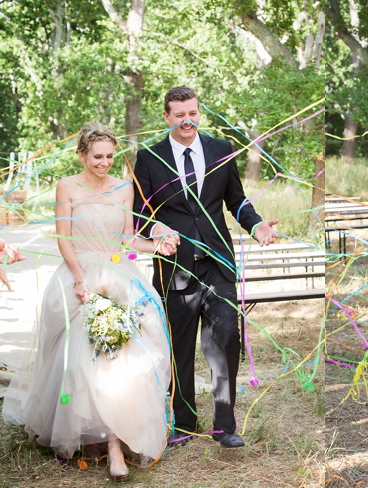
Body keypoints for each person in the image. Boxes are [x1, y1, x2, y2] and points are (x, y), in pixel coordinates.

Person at [3, 122, 176, 481]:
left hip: (120, 276)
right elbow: (63, 238)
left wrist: (158, 242)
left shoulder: (125, 188)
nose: (104, 162)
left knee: (125, 359)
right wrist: (81, 280)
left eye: (110, 156)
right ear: (82, 155)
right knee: (84, 361)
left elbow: (127, 239)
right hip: (78, 276)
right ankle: (97, 436)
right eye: (97, 156)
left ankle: (117, 443)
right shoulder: (67, 186)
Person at [132, 86, 278, 449]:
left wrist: (256, 224)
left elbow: (237, 200)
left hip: (217, 264)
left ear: (199, 112)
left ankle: (224, 425)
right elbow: (138, 213)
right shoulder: (149, 157)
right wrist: (156, 230)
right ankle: (183, 422)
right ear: (167, 117)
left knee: (226, 337)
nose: (187, 121)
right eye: (179, 114)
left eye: (192, 113)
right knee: (178, 346)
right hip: (174, 268)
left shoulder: (220, 150)